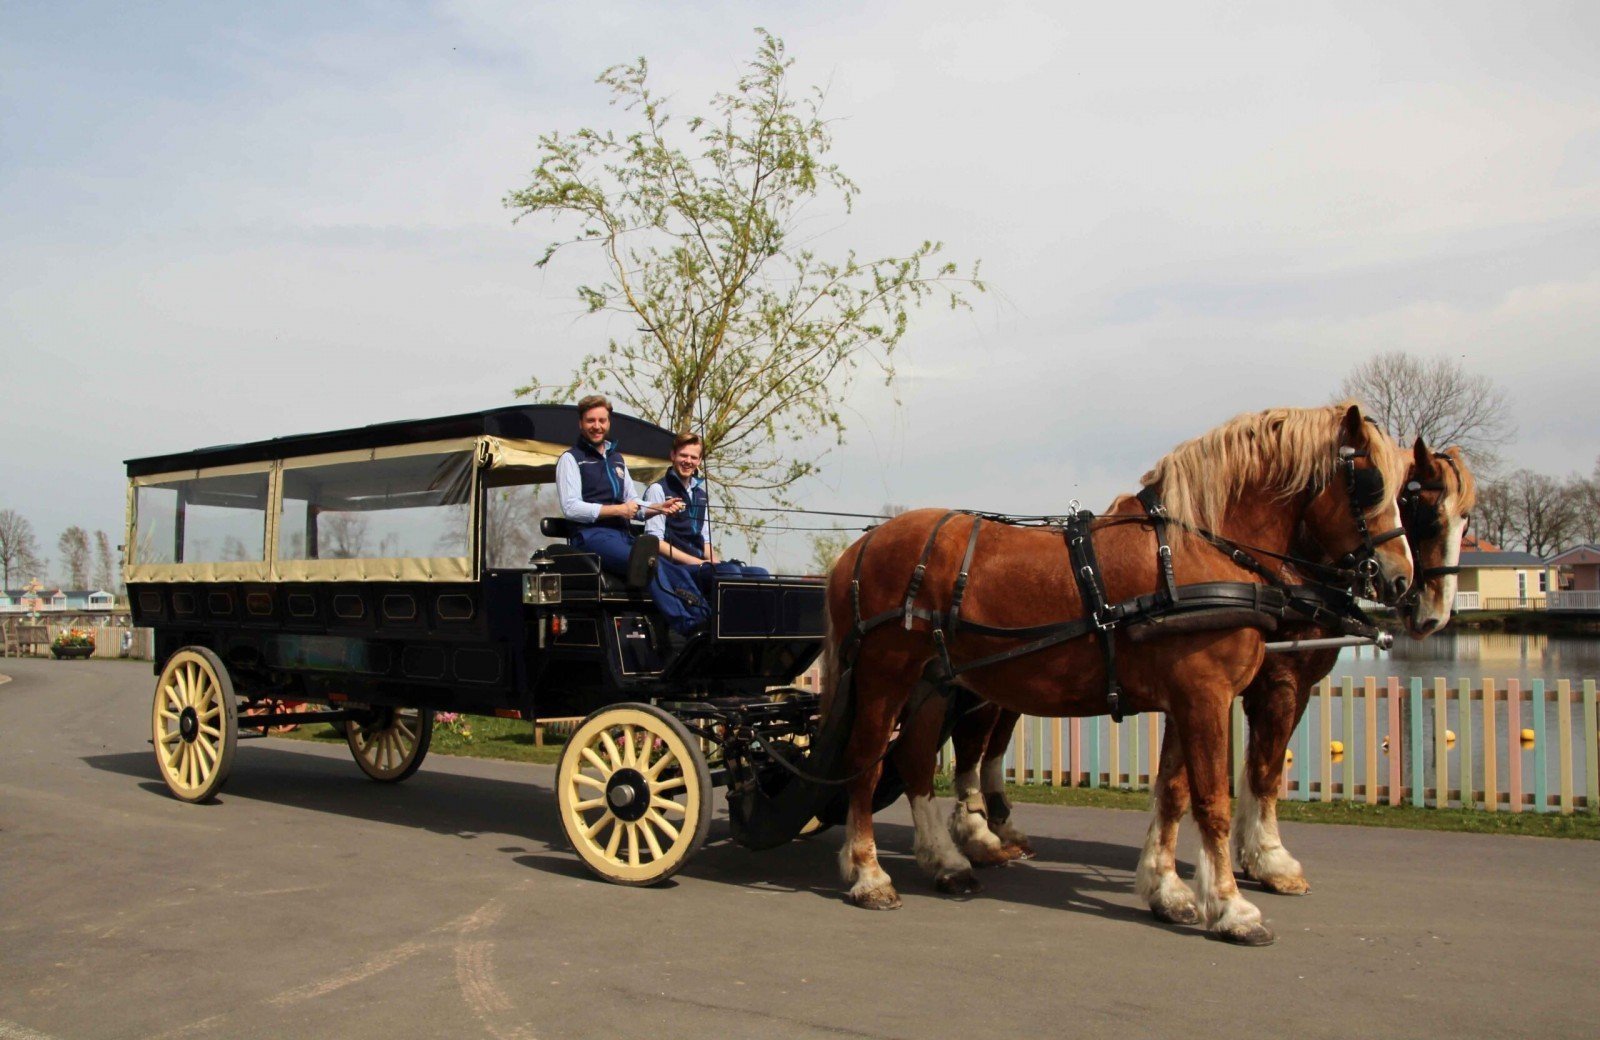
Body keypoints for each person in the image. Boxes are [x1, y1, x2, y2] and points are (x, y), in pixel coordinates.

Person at [555, 395, 710, 637]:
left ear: (609, 423)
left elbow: (634, 503)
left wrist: (659, 507)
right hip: (591, 536)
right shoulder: (571, 459)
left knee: (673, 567)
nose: (597, 426)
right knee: (648, 564)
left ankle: (705, 620)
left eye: (602, 420)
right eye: (591, 420)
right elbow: (571, 508)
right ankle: (686, 625)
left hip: (622, 535)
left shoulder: (617, 459)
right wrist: (618, 510)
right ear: (581, 424)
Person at [644, 432, 770, 588]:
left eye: (693, 457)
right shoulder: (658, 490)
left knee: (759, 573)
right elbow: (655, 542)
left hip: (700, 563)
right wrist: (700, 563)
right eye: (683, 455)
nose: (688, 461)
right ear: (673, 455)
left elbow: (706, 541)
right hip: (675, 566)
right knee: (729, 572)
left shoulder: (701, 495)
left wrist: (714, 563)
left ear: (699, 461)